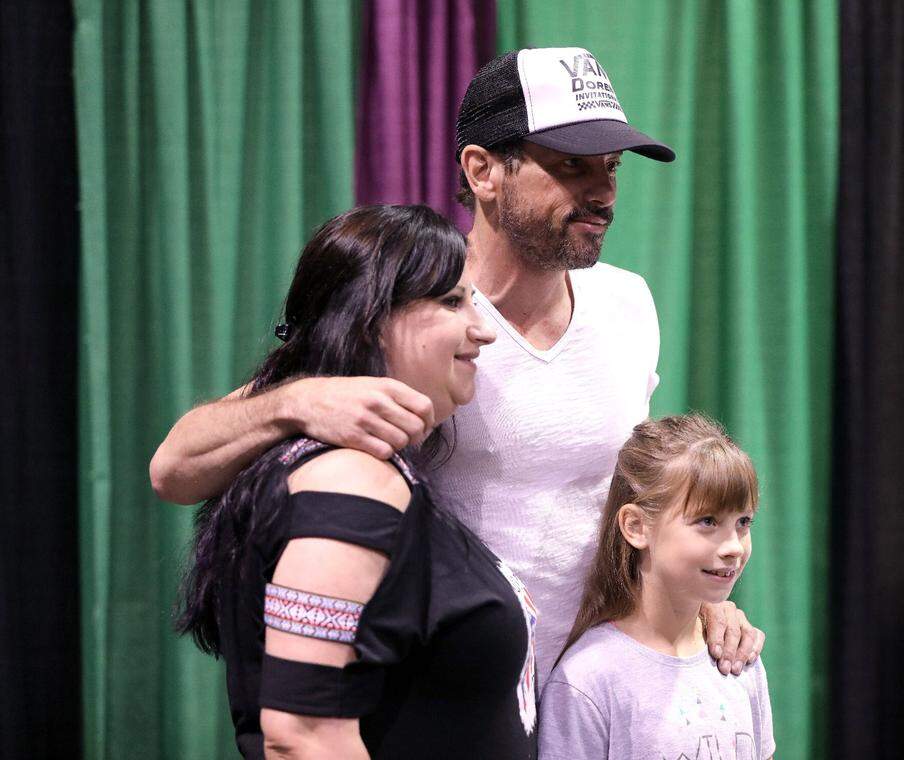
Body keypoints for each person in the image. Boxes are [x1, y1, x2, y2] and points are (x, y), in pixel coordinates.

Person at [153, 46, 762, 681]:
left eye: (610, 168)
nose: (602, 192)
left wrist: (698, 603)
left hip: (591, 697)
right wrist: (296, 400)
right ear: (482, 170)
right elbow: (175, 468)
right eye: (572, 167)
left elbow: (638, 506)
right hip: (448, 702)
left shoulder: (628, 302)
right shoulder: (418, 319)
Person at [175, 204, 539, 759]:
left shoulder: (366, 471)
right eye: (451, 302)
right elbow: (300, 737)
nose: (484, 330)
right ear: (370, 318)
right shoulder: (351, 481)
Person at [538, 414, 775, 760]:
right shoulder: (588, 680)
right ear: (636, 526)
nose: (734, 547)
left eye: (743, 522)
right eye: (707, 521)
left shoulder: (739, 658)